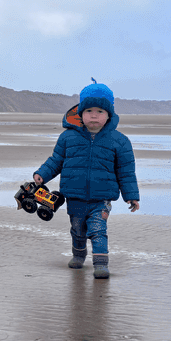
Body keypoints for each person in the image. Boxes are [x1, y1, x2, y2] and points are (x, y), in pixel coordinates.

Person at [31, 79, 139, 278]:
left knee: (98, 230)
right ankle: (78, 256)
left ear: (109, 115)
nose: (94, 115)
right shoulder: (68, 137)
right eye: (89, 111)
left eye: (100, 111)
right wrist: (41, 176)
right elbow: (56, 161)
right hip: (75, 196)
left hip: (102, 199)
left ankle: (100, 264)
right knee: (78, 230)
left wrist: (131, 196)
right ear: (80, 113)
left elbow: (126, 171)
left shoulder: (119, 141)